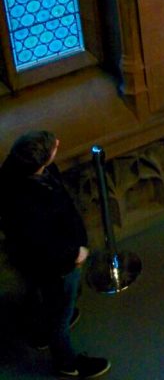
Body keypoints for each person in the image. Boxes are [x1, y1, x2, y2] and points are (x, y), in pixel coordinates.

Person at [0, 130, 111, 379]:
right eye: (52, 147)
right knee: (60, 310)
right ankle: (67, 363)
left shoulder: (17, 173)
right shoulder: (27, 201)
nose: (57, 144)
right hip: (57, 266)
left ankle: (43, 330)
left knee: (52, 300)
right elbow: (42, 242)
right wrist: (75, 253)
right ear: (39, 163)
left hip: (39, 264)